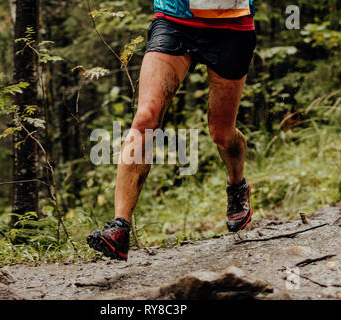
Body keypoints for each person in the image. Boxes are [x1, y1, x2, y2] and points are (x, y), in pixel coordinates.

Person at [87, 0, 257, 260]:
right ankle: (119, 226)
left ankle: (237, 185)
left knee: (222, 134)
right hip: (175, 19)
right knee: (145, 118)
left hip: (231, 24)